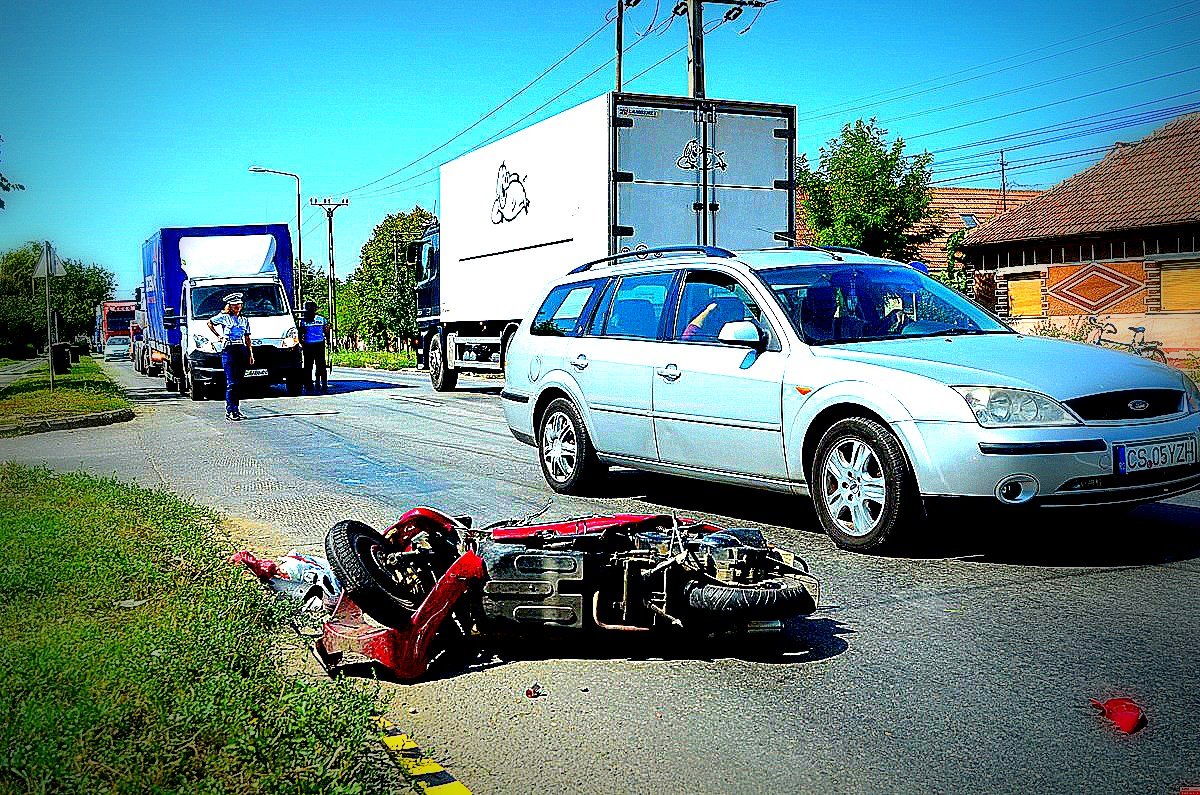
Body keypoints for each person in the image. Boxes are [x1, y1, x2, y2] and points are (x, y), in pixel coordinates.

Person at [207, 293, 253, 421]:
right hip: (228, 350)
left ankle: (236, 409)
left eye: (239, 304)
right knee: (231, 382)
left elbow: (248, 338)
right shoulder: (224, 317)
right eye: (234, 305)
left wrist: (250, 354)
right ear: (230, 306)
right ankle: (229, 410)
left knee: (238, 382)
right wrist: (218, 336)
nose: (237, 307)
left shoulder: (244, 320)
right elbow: (209, 323)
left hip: (241, 349)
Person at [299, 301, 329, 393]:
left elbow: (301, 333)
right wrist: (328, 341)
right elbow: (326, 331)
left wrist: (301, 344)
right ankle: (323, 384)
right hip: (319, 344)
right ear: (315, 309)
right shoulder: (322, 319)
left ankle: (308, 385)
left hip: (308, 345)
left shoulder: (303, 321)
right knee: (321, 365)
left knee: (308, 366)